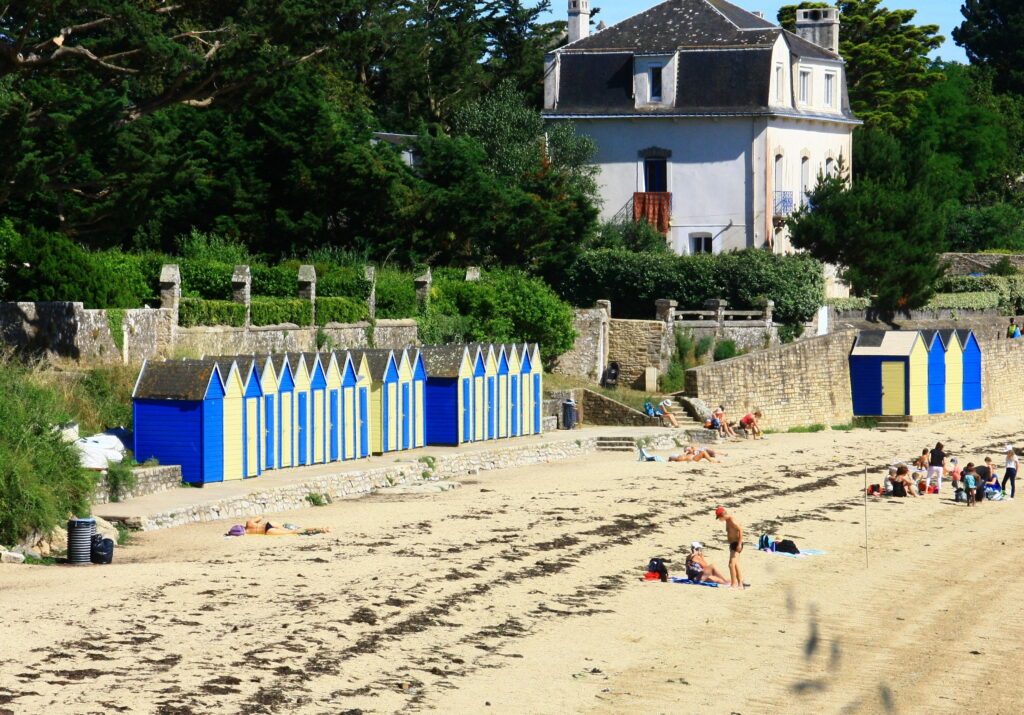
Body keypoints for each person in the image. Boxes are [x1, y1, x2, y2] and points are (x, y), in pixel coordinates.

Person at [715, 507, 744, 589]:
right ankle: (740, 585)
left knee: (731, 565)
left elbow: (740, 530)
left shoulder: (731, 519)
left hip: (736, 543)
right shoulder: (727, 521)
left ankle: (734, 584)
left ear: (722, 515)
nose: (719, 519)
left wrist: (739, 544)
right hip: (732, 544)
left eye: (719, 517)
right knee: (736, 565)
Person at [245, 518, 332, 535]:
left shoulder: (246, 532)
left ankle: (320, 530)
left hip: (268, 532)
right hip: (269, 524)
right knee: (295, 529)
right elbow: (260, 517)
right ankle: (320, 529)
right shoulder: (249, 523)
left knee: (291, 532)